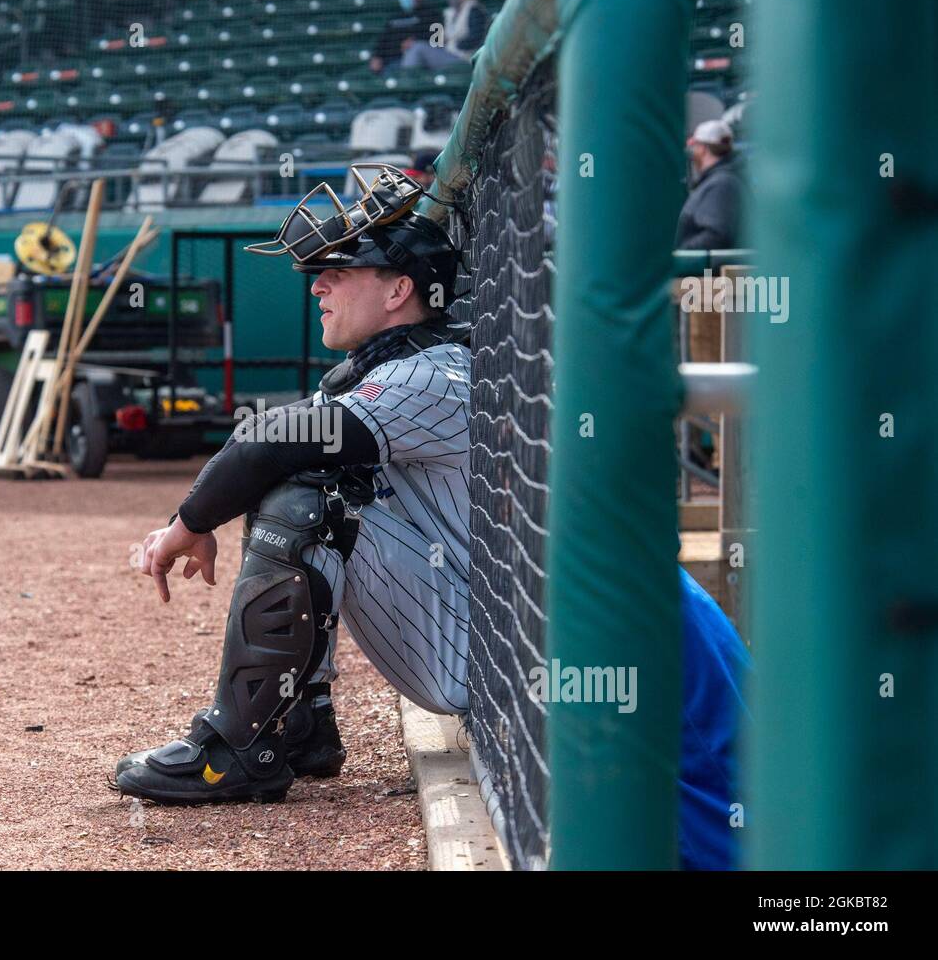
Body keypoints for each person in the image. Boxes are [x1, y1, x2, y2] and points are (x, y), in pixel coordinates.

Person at [113, 167, 750, 870]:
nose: (317, 284)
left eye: (340, 269)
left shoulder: (435, 374)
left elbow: (266, 439)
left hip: (603, 657)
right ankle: (298, 726)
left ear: (398, 290)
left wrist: (186, 523)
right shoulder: (426, 361)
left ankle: (241, 747)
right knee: (302, 481)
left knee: (302, 494)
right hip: (561, 635)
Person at [676, 118, 745, 250]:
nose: (692, 152)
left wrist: (681, 254)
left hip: (709, 270)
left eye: (694, 146)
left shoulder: (722, 184)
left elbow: (716, 236)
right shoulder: (722, 180)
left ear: (703, 148)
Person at [402, 0, 488, 70]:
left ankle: (406, 80)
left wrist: (452, 42)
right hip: (449, 55)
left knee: (418, 48)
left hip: (465, 59)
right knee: (414, 49)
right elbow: (439, 40)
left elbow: (476, 39)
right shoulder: (450, 13)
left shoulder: (475, 10)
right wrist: (442, 40)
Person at [370, 0, 440, 73]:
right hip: (391, 63)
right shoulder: (394, 18)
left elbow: (438, 41)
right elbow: (382, 42)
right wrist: (377, 56)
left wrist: (416, 41)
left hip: (420, 64)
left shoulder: (432, 14)